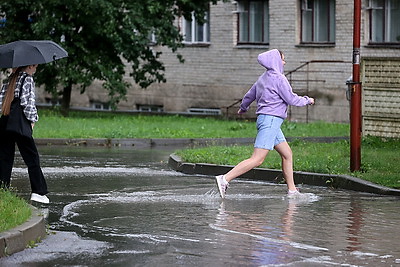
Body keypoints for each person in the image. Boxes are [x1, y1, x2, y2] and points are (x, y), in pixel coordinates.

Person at [215, 49, 315, 199]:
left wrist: (243, 108)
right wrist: (308, 100)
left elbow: (249, 95)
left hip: (266, 121)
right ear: (276, 61)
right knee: (258, 159)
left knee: (287, 154)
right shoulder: (279, 78)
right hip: (271, 121)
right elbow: (291, 99)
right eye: (283, 59)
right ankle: (224, 179)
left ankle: (292, 190)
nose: (284, 62)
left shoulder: (262, 78)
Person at [0, 64, 49, 204]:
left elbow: (0, 102)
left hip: (4, 123)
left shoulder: (10, 80)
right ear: (30, 65)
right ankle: (38, 192)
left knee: (4, 158)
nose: (36, 69)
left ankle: (3, 189)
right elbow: (27, 103)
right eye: (36, 66)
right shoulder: (27, 79)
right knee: (32, 158)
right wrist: (33, 120)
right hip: (20, 124)